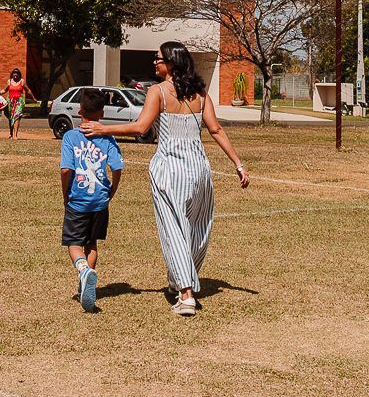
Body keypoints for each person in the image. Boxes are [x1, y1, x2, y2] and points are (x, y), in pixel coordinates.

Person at [81, 40, 249, 317]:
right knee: (197, 229)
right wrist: (238, 164)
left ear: (171, 62)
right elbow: (216, 130)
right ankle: (179, 280)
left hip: (169, 169)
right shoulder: (199, 92)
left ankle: (186, 294)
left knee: (174, 231)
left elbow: (141, 126)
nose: (154, 63)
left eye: (158, 59)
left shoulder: (157, 92)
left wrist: (103, 128)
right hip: (199, 169)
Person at [60, 87, 124, 312]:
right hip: (99, 201)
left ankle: (83, 270)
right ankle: (85, 286)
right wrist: (111, 191)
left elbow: (66, 170)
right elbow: (117, 169)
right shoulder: (107, 137)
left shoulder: (70, 137)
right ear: (102, 112)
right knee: (92, 243)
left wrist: (65, 193)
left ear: (80, 111)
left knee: (74, 244)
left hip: (78, 199)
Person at [3, 68, 34, 140]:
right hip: (10, 101)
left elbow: (28, 90)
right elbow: (5, 90)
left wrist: (33, 97)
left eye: (17, 73)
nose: (15, 74)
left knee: (16, 117)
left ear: (19, 74)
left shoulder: (22, 81)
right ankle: (11, 133)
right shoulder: (9, 81)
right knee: (11, 118)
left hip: (19, 102)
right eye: (14, 73)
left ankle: (15, 135)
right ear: (12, 74)